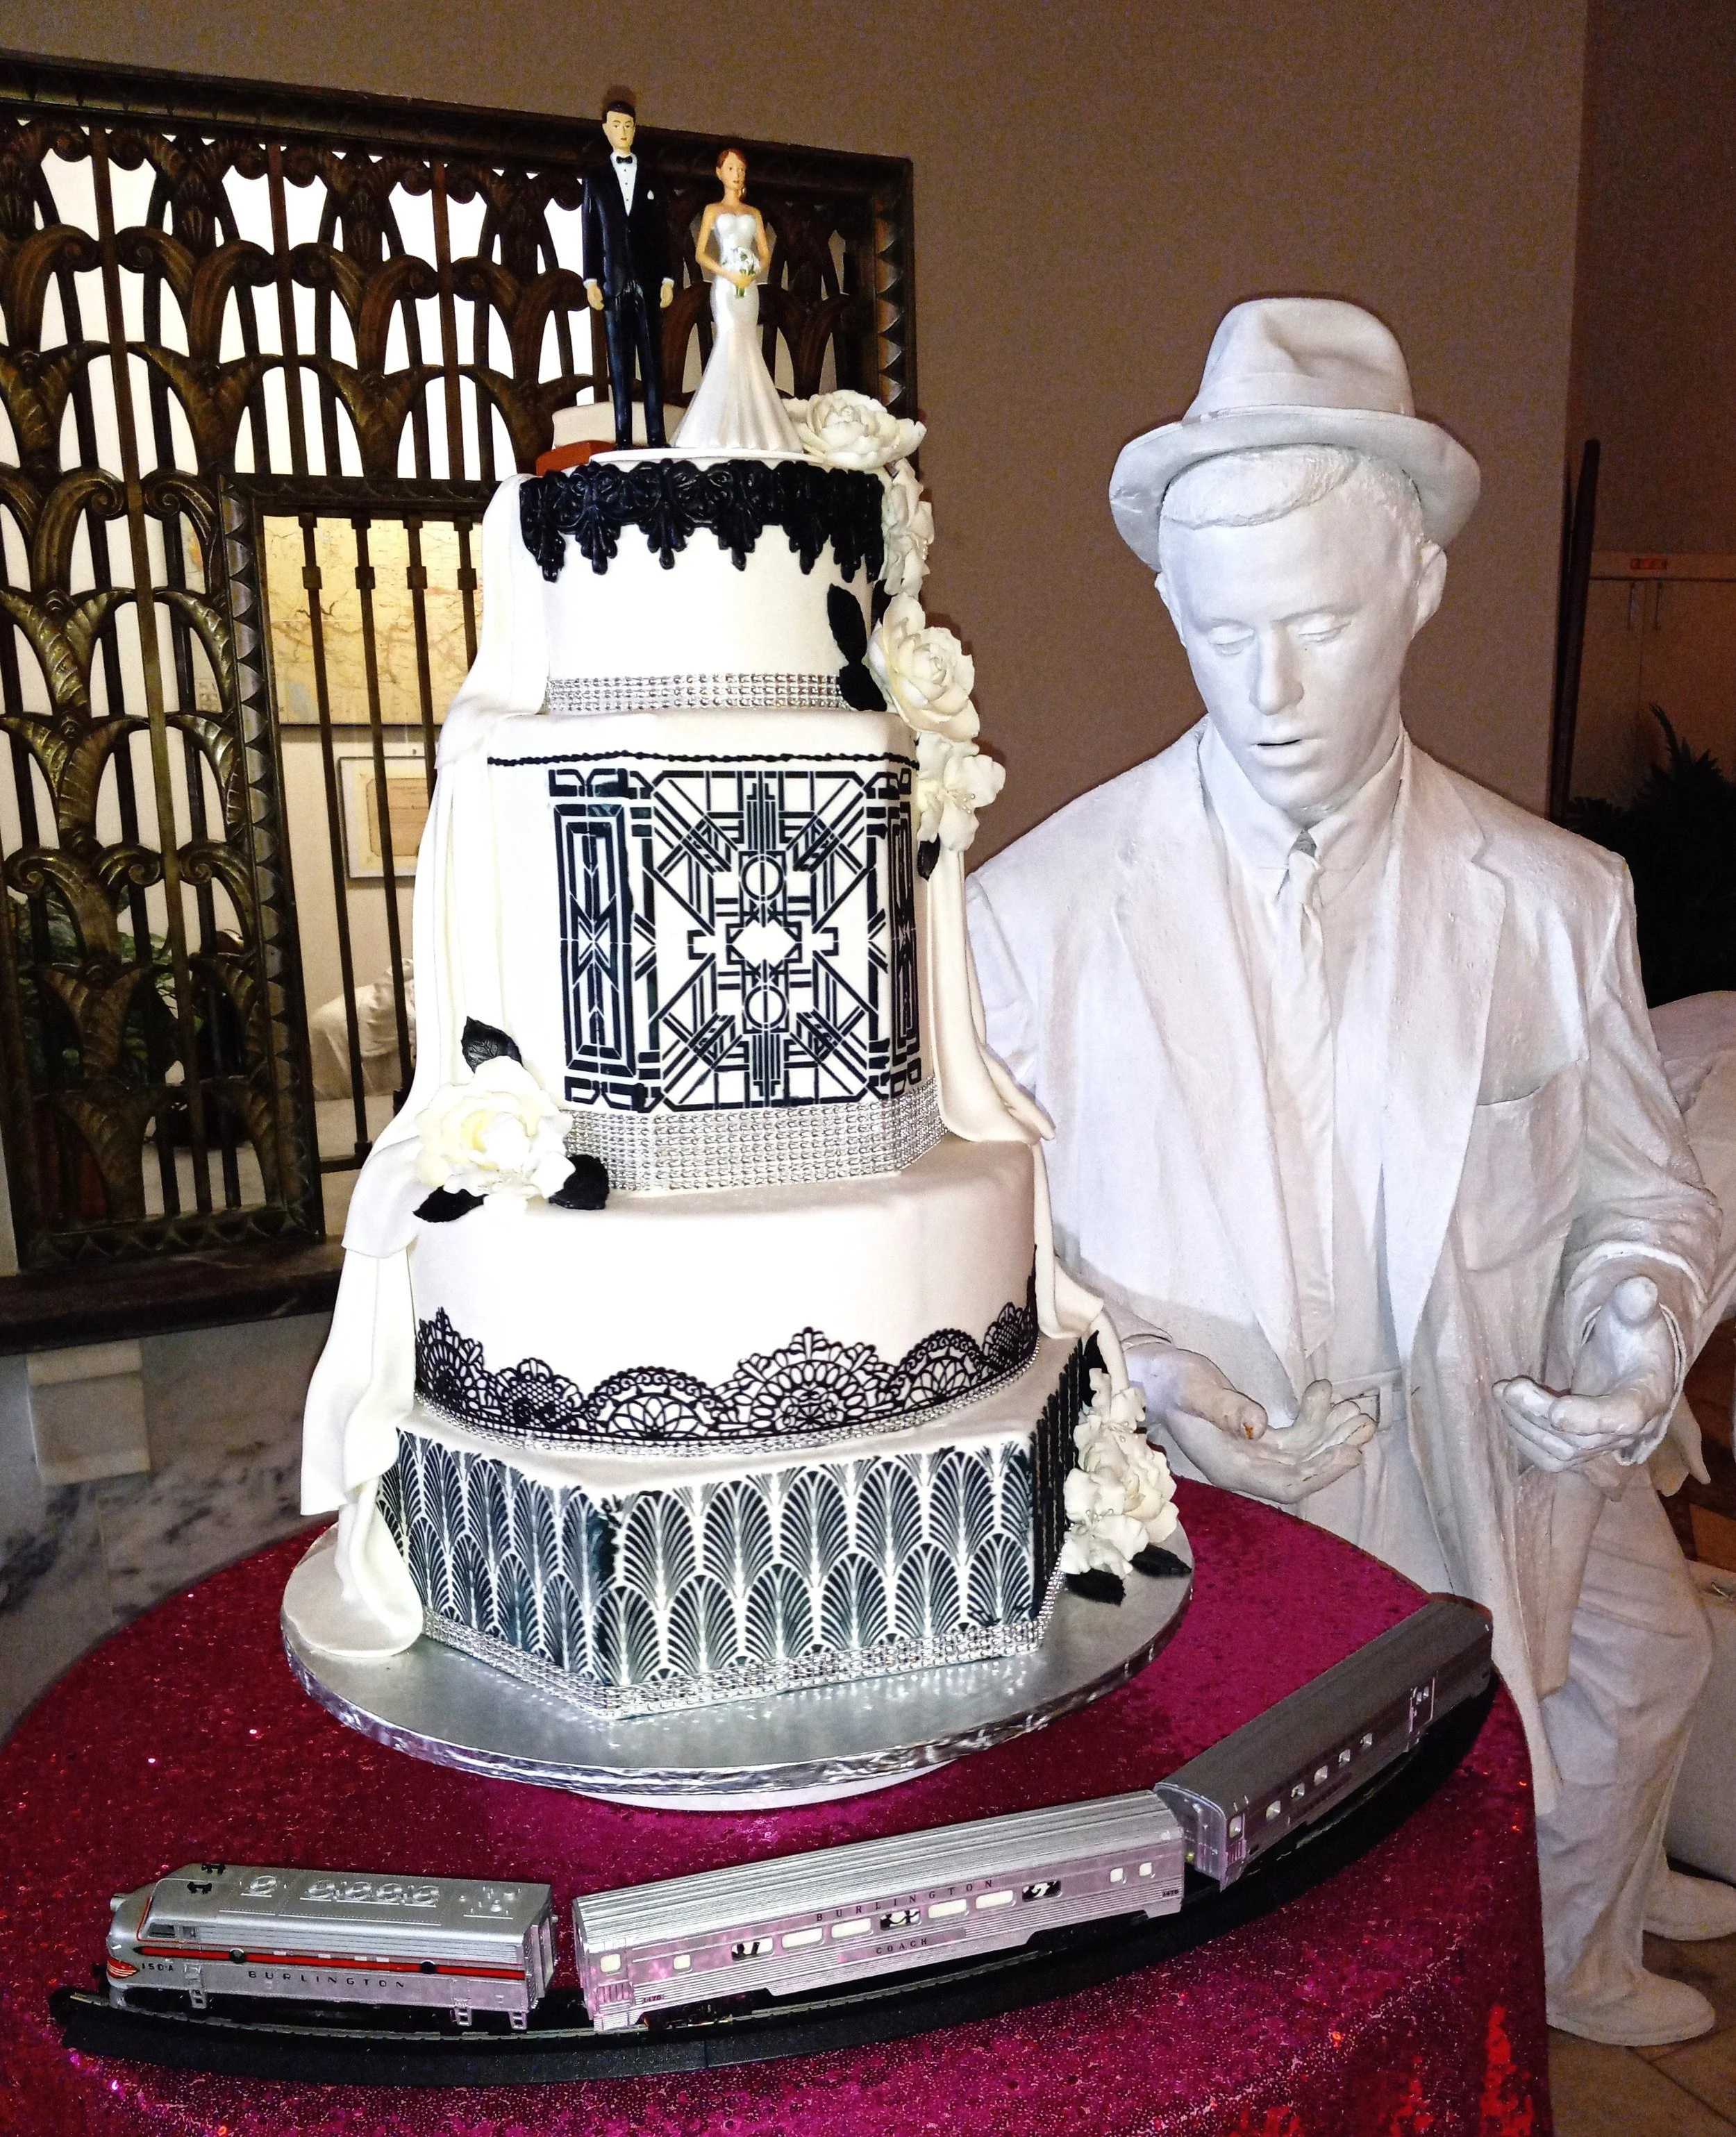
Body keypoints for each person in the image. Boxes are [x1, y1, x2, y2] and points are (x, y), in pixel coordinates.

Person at [966, 296, 1735, 2047]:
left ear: (1418, 591)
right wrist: (1166, 1384)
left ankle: (1531, 1990)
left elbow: (1640, 1184)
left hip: (1474, 1456)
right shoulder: (1038, 914)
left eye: (1317, 620)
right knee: (1265, 1893)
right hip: (1198, 1504)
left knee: (1553, 1741)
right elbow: (995, 1262)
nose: (1271, 688)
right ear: (1172, 606)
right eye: (1226, 631)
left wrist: (1630, 1326)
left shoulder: (1553, 902)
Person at [674, 147, 800, 454]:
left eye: (741, 169)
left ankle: (756, 430)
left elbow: (765, 253)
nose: (737, 174)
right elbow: (701, 253)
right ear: (720, 173)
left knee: (748, 345)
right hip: (726, 288)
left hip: (749, 286)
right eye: (731, 168)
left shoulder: (754, 213)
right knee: (728, 343)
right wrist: (729, 274)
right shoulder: (712, 211)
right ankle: (719, 428)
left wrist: (752, 270)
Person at [581, 92, 673, 448]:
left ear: (636, 130)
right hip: (613, 280)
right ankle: (623, 437)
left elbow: (662, 231)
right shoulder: (595, 178)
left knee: (652, 361)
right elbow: (590, 231)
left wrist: (667, 277)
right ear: (606, 129)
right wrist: (591, 278)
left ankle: (656, 435)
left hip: (648, 280)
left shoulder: (651, 176)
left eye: (628, 125)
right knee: (619, 364)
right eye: (616, 125)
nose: (623, 131)